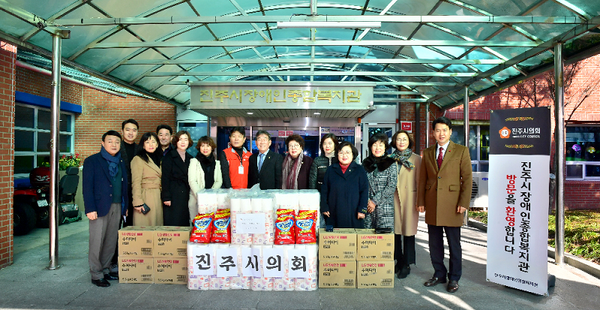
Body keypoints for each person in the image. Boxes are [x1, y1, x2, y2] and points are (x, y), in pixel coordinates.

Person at [418, 117, 472, 293]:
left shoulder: (461, 151)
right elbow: (422, 179)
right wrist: (420, 202)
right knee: (434, 243)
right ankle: (439, 274)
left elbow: (467, 178)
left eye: (444, 130)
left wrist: (464, 202)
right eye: (437, 130)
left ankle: (454, 278)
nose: (441, 133)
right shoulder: (427, 153)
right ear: (433, 133)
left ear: (450, 132)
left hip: (453, 204)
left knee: (454, 244)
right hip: (432, 203)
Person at [83, 130, 128, 287]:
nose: (114, 144)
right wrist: (90, 208)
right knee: (97, 241)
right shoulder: (92, 161)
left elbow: (124, 185)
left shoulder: (120, 162)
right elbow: (87, 187)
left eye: (117, 142)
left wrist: (125, 206)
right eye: (110, 141)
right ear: (103, 143)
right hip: (99, 207)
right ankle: (96, 274)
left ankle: (106, 268)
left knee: (110, 240)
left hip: (117, 205)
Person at [390, 130, 421, 279]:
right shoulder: (390, 158)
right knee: (395, 232)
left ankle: (407, 263)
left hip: (410, 198)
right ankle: (398, 260)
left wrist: (420, 201)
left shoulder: (416, 159)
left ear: (409, 141)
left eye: (404, 139)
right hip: (394, 198)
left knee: (408, 232)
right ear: (394, 141)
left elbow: (420, 181)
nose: (401, 142)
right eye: (398, 139)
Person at [320, 141, 369, 228]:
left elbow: (364, 191)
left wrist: (362, 209)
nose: (344, 155)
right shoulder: (331, 170)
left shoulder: (359, 170)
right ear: (337, 155)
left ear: (353, 154)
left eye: (347, 152)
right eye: (341, 152)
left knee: (353, 240)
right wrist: (324, 206)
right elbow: (324, 190)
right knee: (335, 238)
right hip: (334, 211)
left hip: (354, 212)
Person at [362, 133, 397, 230]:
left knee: (384, 241)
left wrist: (374, 201)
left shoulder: (391, 163)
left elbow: (391, 186)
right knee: (367, 241)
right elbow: (361, 185)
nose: (377, 148)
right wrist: (368, 201)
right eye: (374, 145)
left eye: (381, 145)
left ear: (385, 147)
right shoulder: (365, 163)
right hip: (367, 208)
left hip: (384, 207)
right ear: (370, 147)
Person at [131, 132, 163, 226]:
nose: (151, 145)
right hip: (145, 196)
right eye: (147, 142)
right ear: (143, 145)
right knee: (145, 226)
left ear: (157, 144)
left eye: (153, 142)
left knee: (157, 226)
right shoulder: (138, 159)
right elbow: (136, 182)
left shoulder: (160, 159)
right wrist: (138, 202)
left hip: (158, 195)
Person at [161, 130, 193, 226]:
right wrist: (166, 197)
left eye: (185, 139)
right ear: (176, 141)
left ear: (189, 142)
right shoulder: (169, 156)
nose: (183, 142)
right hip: (173, 195)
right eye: (180, 139)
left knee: (184, 221)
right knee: (173, 221)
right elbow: (165, 178)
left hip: (186, 194)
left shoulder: (191, 158)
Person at [189, 136, 223, 221]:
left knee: (211, 225)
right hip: (196, 199)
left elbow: (219, 181)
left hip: (212, 200)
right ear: (199, 147)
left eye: (208, 146)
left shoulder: (217, 163)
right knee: (198, 227)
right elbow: (192, 180)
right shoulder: (194, 162)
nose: (205, 148)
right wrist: (201, 196)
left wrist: (210, 195)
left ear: (212, 148)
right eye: (202, 146)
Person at [120, 119, 138, 226]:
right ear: (122, 131)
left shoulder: (140, 149)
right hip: (119, 193)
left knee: (131, 225)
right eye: (128, 130)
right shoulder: (116, 148)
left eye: (134, 130)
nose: (131, 133)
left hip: (134, 193)